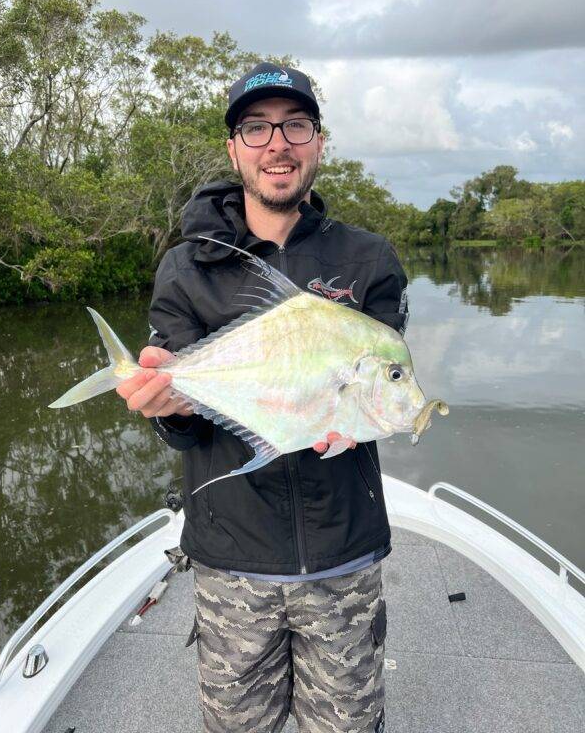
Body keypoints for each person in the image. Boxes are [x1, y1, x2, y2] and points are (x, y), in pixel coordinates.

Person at [117, 62, 408, 733]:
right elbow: (189, 430)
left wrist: (368, 419)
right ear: (233, 148)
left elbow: (378, 389)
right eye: (256, 127)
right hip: (232, 559)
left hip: (345, 554)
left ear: (318, 141)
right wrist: (173, 409)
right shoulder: (187, 265)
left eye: (295, 124)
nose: (277, 143)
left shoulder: (369, 261)